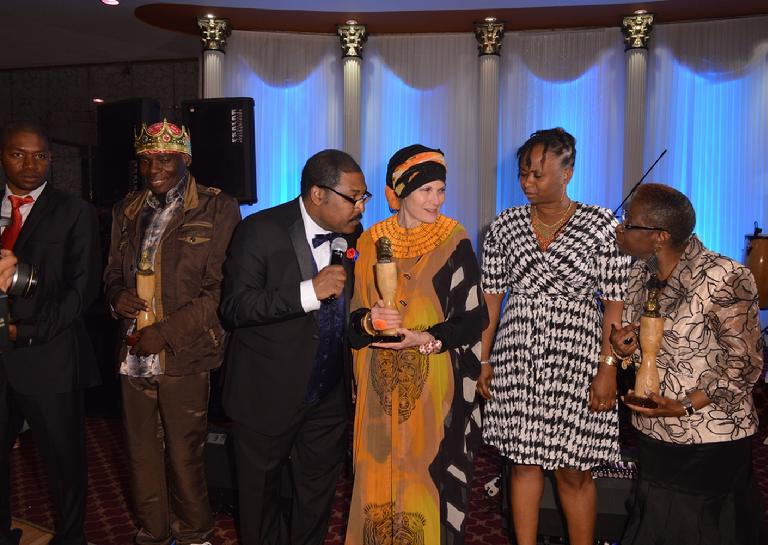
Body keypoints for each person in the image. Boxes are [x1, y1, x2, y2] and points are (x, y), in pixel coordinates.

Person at [478, 128, 629, 545]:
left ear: (568, 173)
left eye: (538, 175)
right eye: (523, 173)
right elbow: (491, 300)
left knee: (574, 469)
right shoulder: (504, 227)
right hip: (517, 354)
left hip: (578, 358)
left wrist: (608, 370)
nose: (527, 183)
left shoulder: (601, 225)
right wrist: (484, 360)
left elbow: (614, 305)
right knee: (522, 463)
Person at [220, 149, 368, 545]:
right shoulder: (259, 229)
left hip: (329, 395)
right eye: (354, 197)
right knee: (259, 500)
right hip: (265, 393)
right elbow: (235, 307)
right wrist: (309, 292)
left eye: (364, 198)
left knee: (317, 497)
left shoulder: (358, 236)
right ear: (318, 194)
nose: (361, 206)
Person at [103, 120, 240, 545]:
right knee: (142, 457)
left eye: (165, 158)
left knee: (184, 458)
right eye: (146, 161)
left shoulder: (217, 207)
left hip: (185, 354)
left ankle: (195, 535)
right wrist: (116, 297)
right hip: (133, 353)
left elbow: (220, 291)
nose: (154, 169)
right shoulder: (126, 210)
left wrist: (164, 333)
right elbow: (110, 273)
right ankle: (153, 535)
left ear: (186, 159)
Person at [344, 144, 488, 545]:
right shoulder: (369, 241)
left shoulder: (454, 239)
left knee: (425, 480)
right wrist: (371, 322)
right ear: (401, 191)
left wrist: (428, 336)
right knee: (375, 478)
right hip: (377, 390)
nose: (436, 200)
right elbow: (353, 327)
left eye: (441, 190)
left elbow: (476, 318)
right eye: (426, 191)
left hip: (432, 389)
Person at [610, 183, 768, 545]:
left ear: (659, 236)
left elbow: (744, 363)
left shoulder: (725, 275)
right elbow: (647, 349)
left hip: (709, 438)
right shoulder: (640, 274)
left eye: (629, 223)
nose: (621, 229)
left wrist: (682, 407)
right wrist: (623, 349)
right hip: (655, 433)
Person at [0, 122, 101, 545]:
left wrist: (26, 331)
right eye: (19, 154)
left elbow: (83, 290)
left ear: (51, 161)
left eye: (40, 156)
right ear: (3, 155)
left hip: (48, 357)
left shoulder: (74, 211)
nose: (30, 164)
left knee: (63, 462)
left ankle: (71, 538)